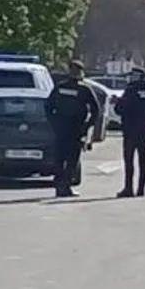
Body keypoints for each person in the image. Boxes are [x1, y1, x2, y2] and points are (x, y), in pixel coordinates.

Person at [45, 60, 101, 198]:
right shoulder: (84, 89)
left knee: (60, 159)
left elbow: (48, 107)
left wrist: (54, 123)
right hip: (76, 129)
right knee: (72, 159)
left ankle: (60, 187)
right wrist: (87, 127)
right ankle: (66, 186)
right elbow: (96, 110)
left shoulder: (60, 87)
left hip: (63, 128)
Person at [115, 67, 145, 198]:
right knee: (142, 159)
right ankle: (141, 189)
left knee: (129, 160)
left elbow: (121, 109)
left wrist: (117, 102)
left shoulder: (131, 90)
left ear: (138, 76)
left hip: (130, 129)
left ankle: (128, 189)